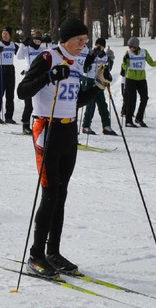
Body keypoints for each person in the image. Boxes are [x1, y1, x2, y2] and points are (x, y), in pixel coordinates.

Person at [17, 18, 108, 279]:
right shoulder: (48, 58)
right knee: (49, 194)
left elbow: (74, 100)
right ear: (66, 39)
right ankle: (35, 256)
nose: (84, 45)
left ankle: (53, 252)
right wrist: (48, 76)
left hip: (69, 130)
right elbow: (22, 91)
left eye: (86, 41)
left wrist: (98, 87)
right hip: (46, 128)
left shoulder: (77, 62)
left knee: (62, 193)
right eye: (80, 40)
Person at [119, 37, 156, 127]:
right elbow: (124, 67)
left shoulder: (144, 52)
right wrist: (125, 60)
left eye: (132, 47)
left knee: (144, 98)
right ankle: (128, 120)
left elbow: (151, 63)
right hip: (130, 79)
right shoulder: (128, 53)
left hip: (141, 79)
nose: (131, 48)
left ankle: (139, 118)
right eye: (129, 46)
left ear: (136, 46)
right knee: (132, 100)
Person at [81, 37, 118, 136]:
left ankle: (106, 126)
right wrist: (92, 56)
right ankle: (86, 126)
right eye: (97, 45)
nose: (99, 47)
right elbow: (85, 68)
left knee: (102, 105)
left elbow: (107, 69)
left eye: (101, 46)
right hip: (89, 81)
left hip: (99, 83)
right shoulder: (91, 53)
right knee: (91, 105)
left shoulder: (104, 56)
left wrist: (111, 60)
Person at [16, 30, 47, 135]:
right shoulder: (28, 49)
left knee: (39, 102)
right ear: (32, 40)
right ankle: (25, 125)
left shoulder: (43, 50)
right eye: (35, 41)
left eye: (39, 41)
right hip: (29, 76)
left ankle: (38, 125)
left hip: (40, 76)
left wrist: (50, 43)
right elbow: (19, 56)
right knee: (29, 103)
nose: (37, 43)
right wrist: (22, 45)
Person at [0, 27, 18, 124]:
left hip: (10, 69)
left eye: (6, 33)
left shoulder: (13, 45)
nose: (4, 35)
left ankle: (9, 116)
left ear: (10, 35)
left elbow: (21, 53)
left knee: (10, 94)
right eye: (3, 33)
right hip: (0, 69)